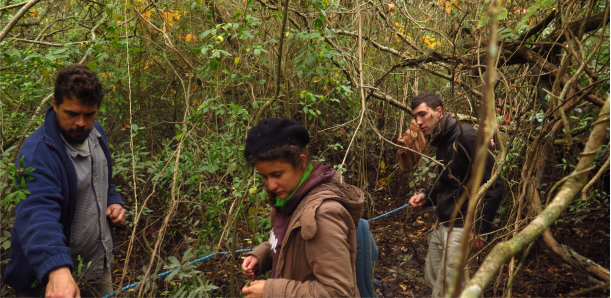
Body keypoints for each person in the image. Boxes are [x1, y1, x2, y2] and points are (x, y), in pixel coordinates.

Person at [3, 65, 126, 298]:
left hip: (98, 265)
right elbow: (37, 213)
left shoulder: (96, 133)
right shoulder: (36, 153)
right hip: (53, 278)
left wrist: (113, 200)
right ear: (55, 104)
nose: (81, 123)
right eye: (72, 114)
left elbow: (102, 178)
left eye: (89, 114)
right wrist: (57, 269)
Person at [240, 117, 364, 298]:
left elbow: (337, 292)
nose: (271, 186)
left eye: (277, 174)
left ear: (302, 162)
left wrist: (270, 291)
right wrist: (262, 256)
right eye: (264, 177)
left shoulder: (322, 214)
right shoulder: (287, 201)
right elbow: (289, 244)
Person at [408, 93, 504, 298]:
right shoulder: (441, 139)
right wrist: (426, 197)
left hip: (462, 227)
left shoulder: (468, 137)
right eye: (415, 116)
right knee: (433, 281)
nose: (418, 121)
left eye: (423, 114)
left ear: (439, 112)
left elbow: (495, 185)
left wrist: (480, 228)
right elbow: (449, 181)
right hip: (442, 224)